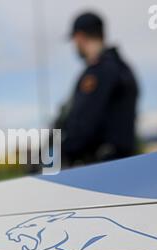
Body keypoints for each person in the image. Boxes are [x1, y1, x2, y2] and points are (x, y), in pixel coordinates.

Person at [57, 12, 139, 167]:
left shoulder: (100, 72)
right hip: (119, 165)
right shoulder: (120, 67)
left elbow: (84, 125)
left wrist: (57, 153)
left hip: (102, 166)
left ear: (80, 37)